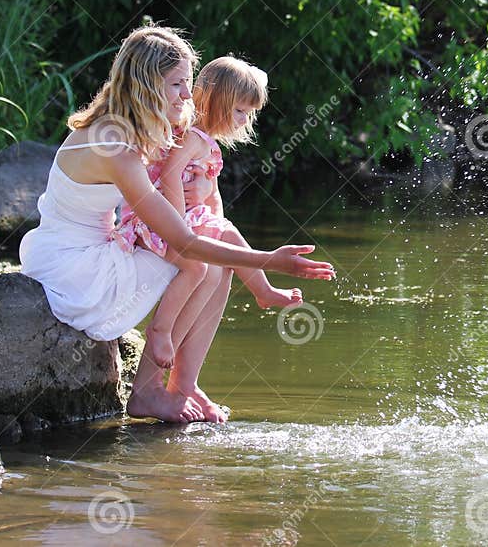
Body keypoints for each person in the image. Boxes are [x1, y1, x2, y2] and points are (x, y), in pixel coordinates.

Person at [19, 25, 334, 424]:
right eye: (177, 84)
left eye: (188, 81)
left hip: (85, 247)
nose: (187, 94)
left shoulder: (119, 121)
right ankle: (149, 391)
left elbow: (199, 123)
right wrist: (269, 261)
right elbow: (182, 242)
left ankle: (184, 383)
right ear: (147, 85)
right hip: (80, 270)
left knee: (215, 248)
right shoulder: (115, 147)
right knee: (205, 258)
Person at [111, 55, 301, 372]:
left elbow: (212, 200)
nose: (243, 120)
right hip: (160, 220)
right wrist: (180, 221)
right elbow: (169, 174)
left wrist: (208, 214)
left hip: (179, 216)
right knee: (197, 268)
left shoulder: (203, 138)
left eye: (248, 113)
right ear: (215, 102)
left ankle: (263, 290)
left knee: (229, 235)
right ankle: (160, 329)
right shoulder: (192, 137)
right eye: (239, 110)